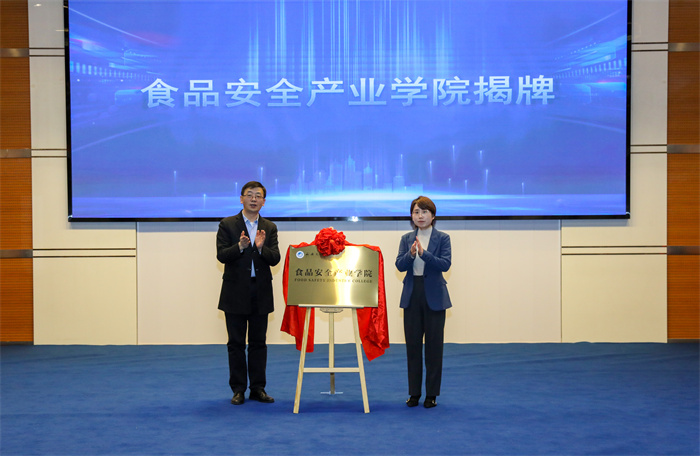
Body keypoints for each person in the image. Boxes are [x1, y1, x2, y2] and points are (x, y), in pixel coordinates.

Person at [216, 181, 281, 405]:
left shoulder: (269, 227)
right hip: (235, 291)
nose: (254, 199)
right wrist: (240, 247)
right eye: (250, 195)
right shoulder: (227, 224)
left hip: (260, 291)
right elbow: (221, 255)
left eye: (258, 196)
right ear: (241, 198)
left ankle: (258, 389)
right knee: (235, 343)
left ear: (264, 201)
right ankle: (238, 390)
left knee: (258, 343)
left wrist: (261, 248)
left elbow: (275, 259)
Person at [395, 196, 452, 408]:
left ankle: (431, 395)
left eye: (425, 212)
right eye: (416, 212)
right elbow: (399, 265)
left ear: (433, 215)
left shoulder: (443, 238)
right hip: (412, 295)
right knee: (413, 348)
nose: (420, 216)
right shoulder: (406, 238)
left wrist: (424, 254)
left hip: (435, 296)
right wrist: (411, 255)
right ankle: (414, 393)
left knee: (434, 348)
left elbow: (445, 264)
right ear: (411, 216)